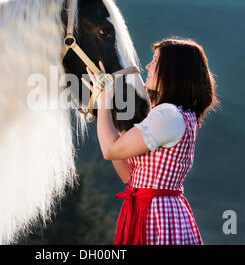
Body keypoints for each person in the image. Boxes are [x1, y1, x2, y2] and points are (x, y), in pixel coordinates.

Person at [82, 37, 218, 245]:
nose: (148, 66)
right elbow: (129, 176)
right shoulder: (176, 114)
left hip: (154, 215)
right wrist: (109, 109)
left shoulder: (167, 115)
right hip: (154, 210)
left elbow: (110, 150)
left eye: (156, 61)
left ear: (173, 71)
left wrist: (104, 101)